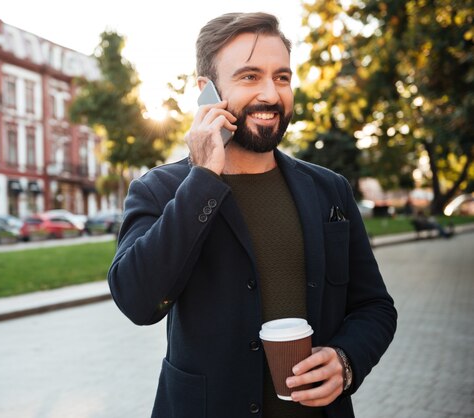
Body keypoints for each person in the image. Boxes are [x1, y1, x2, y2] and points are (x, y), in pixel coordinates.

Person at [108, 12, 397, 418]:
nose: (271, 94)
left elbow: (375, 307)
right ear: (206, 91)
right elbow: (138, 301)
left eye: (282, 77)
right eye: (249, 77)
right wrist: (204, 175)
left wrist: (346, 360)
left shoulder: (329, 190)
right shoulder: (160, 189)